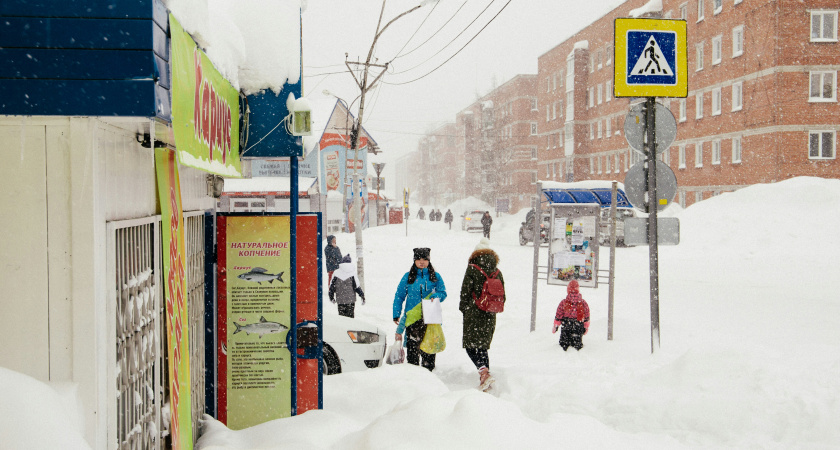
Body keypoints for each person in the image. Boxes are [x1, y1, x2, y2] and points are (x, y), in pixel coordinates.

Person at [460, 237, 504, 392]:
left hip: (474, 312)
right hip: (490, 313)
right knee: (482, 346)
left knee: (471, 346)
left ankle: (484, 373)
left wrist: (464, 308)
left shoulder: (472, 268)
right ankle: (485, 376)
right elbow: (502, 296)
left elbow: (465, 291)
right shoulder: (497, 271)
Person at [393, 247, 447, 371]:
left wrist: (436, 296)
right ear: (414, 260)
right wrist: (396, 313)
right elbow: (399, 296)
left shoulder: (435, 276)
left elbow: (443, 293)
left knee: (429, 353)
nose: (421, 262)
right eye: (418, 259)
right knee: (412, 356)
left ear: (429, 260)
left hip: (430, 320)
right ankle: (414, 381)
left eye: (424, 259)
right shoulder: (408, 276)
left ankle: (428, 378)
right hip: (412, 321)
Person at [552, 280, 590, 351]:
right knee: (577, 341)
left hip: (566, 324)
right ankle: (577, 347)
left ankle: (563, 349)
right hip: (578, 324)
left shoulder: (564, 302)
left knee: (564, 342)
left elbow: (559, 314)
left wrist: (556, 325)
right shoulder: (583, 302)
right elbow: (587, 315)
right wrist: (586, 326)